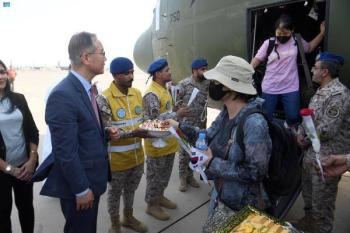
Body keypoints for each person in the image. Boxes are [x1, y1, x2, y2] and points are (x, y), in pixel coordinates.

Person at [169, 55, 272, 232]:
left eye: (216, 80)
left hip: (241, 207)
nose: (212, 84)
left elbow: (255, 173)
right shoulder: (227, 112)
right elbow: (207, 135)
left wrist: (212, 162)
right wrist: (179, 127)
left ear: (231, 88)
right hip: (220, 196)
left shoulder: (254, 123)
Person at [40, 32, 119, 233]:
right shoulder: (63, 95)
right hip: (81, 185)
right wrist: (81, 189)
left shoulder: (86, 89)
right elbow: (65, 151)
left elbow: (83, 129)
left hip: (93, 179)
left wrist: (104, 132)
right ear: (85, 57)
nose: (105, 58)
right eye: (102, 53)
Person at [295, 52, 350, 233]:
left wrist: (305, 138)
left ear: (325, 71)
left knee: (323, 204)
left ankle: (322, 229)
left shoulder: (339, 94)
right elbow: (308, 118)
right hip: (312, 155)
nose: (312, 70)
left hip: (327, 159)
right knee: (310, 198)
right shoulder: (320, 92)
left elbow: (327, 129)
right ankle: (308, 223)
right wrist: (300, 134)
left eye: (315, 68)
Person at [96, 57, 148, 233]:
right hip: (117, 161)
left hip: (138, 157)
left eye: (132, 72)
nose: (131, 76)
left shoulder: (137, 93)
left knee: (131, 190)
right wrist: (134, 133)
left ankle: (128, 217)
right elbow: (109, 132)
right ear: (115, 75)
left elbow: (144, 121)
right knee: (114, 194)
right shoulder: (104, 99)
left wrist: (154, 128)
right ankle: (115, 223)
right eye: (126, 73)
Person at [251, 14, 325, 129]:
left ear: (292, 30)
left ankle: (288, 133)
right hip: (270, 87)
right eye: (279, 33)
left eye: (285, 33)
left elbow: (309, 48)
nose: (281, 36)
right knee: (266, 117)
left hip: (290, 87)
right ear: (275, 31)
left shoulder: (297, 41)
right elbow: (256, 60)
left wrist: (322, 33)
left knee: (293, 116)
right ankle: (269, 136)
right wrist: (245, 73)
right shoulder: (269, 43)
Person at [142, 58, 191, 221]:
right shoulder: (152, 94)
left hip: (168, 142)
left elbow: (164, 112)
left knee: (164, 176)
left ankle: (160, 197)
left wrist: (174, 110)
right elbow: (152, 122)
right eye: (167, 70)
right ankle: (152, 206)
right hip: (157, 145)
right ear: (158, 74)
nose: (170, 72)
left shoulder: (164, 89)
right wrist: (176, 114)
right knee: (155, 178)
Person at [0, 59, 39, 233]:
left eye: (2, 72)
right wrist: (10, 169)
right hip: (2, 172)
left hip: (24, 167)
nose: (0, 76)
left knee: (26, 209)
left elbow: (32, 131)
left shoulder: (19, 99)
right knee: (2, 214)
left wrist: (32, 159)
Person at [176, 58, 209, 192]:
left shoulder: (207, 83)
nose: (205, 71)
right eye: (203, 69)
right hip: (186, 124)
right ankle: (182, 178)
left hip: (200, 124)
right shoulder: (184, 84)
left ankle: (190, 176)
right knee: (184, 152)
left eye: (206, 69)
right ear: (194, 70)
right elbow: (176, 102)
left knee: (195, 152)